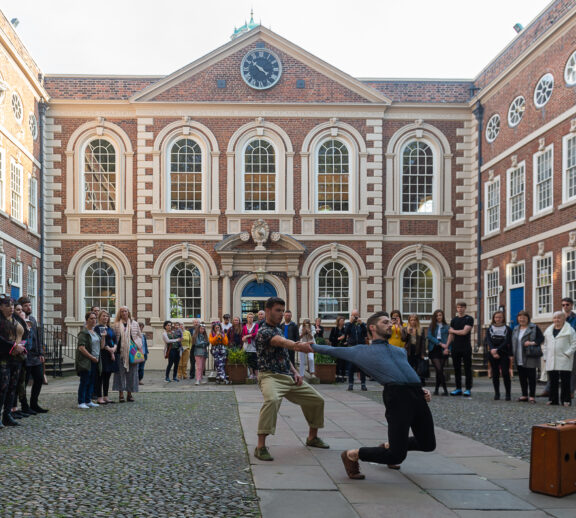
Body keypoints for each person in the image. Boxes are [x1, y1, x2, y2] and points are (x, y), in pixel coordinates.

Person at [310, 311, 435, 479]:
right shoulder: (362, 351)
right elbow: (332, 350)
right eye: (385, 322)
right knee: (397, 456)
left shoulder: (399, 351)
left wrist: (420, 390)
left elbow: (406, 372)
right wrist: (309, 346)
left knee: (428, 444)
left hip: (417, 397)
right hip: (397, 398)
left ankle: (389, 446)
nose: (390, 324)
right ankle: (352, 455)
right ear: (372, 327)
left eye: (390, 322)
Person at [254, 296, 328, 462]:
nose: (281, 314)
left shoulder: (279, 329)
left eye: (282, 310)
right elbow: (281, 343)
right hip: (269, 376)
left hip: (288, 376)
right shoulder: (263, 332)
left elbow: (284, 356)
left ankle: (312, 438)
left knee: (317, 400)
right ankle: (260, 447)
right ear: (267, 311)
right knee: (272, 400)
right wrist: (297, 345)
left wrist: (294, 371)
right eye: (277, 310)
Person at [0, 295, 28, 427]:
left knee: (12, 387)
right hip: (3, 357)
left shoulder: (15, 318)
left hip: (16, 358)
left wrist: (22, 346)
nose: (11, 308)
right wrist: (13, 346)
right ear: (0, 307)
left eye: (12, 306)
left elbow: (25, 333)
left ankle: (7, 415)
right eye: (7, 306)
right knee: (3, 387)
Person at [18, 296, 47, 414]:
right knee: (23, 382)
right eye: (25, 306)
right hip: (24, 356)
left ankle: (34, 403)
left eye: (29, 305)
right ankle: (24, 406)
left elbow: (37, 338)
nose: (28, 307)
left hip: (35, 356)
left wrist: (41, 353)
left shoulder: (33, 320)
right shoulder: (18, 320)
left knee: (39, 379)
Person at [543, 311, 576, 406]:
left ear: (564, 319)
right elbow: (545, 345)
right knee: (553, 380)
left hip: (564, 358)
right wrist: (545, 356)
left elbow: (574, 343)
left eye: (559, 318)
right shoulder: (548, 330)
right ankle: (553, 399)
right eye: (555, 318)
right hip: (551, 358)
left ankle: (566, 400)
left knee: (565, 380)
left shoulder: (570, 330)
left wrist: (568, 353)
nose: (556, 320)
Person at [111, 306, 143, 403]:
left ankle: (129, 394)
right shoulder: (116, 325)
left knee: (132, 374)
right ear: (119, 313)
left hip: (132, 352)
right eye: (122, 311)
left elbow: (139, 336)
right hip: (120, 352)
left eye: (125, 311)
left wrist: (139, 347)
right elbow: (114, 339)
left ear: (128, 312)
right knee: (119, 374)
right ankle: (121, 394)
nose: (124, 313)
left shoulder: (135, 324)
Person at [511, 310, 544, 403]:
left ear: (528, 319)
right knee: (522, 377)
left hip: (530, 355)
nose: (522, 319)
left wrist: (532, 343)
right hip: (518, 355)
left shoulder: (534, 327)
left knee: (531, 377)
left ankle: (532, 396)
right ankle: (524, 395)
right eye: (520, 317)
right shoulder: (516, 328)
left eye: (524, 318)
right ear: (517, 318)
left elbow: (541, 338)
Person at [484, 310, 513, 401]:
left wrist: (497, 349)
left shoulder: (507, 329)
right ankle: (497, 393)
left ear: (503, 318)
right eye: (496, 317)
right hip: (492, 353)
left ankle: (508, 394)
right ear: (494, 318)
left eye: (500, 317)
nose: (498, 319)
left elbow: (507, 341)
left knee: (505, 373)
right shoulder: (490, 328)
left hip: (503, 353)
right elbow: (488, 340)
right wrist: (493, 349)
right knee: (495, 374)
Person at [448, 302, 474, 397]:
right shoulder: (454, 320)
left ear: (465, 308)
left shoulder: (469, 319)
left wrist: (453, 331)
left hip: (466, 347)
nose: (460, 309)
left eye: (462, 307)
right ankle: (458, 388)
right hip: (455, 347)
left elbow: (464, 332)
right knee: (456, 369)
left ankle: (468, 389)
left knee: (467, 368)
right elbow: (451, 335)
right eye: (458, 307)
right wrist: (447, 346)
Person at [75, 312, 101, 409]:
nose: (94, 320)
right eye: (91, 318)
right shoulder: (84, 333)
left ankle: (88, 400)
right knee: (84, 381)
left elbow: (100, 346)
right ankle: (81, 402)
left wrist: (104, 337)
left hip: (95, 360)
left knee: (91, 381)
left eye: (95, 318)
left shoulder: (95, 332)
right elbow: (81, 348)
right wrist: (91, 357)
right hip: (86, 360)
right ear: (87, 320)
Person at [94, 310, 118, 404]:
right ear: (99, 317)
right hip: (103, 354)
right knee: (100, 376)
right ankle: (99, 397)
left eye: (107, 316)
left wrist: (115, 348)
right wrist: (110, 350)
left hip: (111, 354)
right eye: (103, 316)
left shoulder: (109, 328)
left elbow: (115, 339)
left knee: (107, 376)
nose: (105, 318)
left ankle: (106, 396)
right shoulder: (98, 328)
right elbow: (102, 342)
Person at [342, 309, 368, 391]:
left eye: (356, 315)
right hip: (352, 347)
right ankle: (350, 384)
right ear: (351, 316)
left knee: (362, 366)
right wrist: (350, 322)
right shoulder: (348, 324)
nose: (355, 317)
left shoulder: (362, 324)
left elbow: (366, 334)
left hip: (361, 347)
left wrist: (362, 325)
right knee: (351, 366)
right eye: (353, 315)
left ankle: (363, 384)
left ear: (359, 315)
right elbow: (346, 333)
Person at [427, 309, 450, 396]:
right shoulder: (432, 326)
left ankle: (436, 390)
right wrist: (439, 343)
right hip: (434, 349)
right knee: (439, 369)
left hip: (443, 350)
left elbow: (450, 339)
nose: (438, 317)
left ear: (442, 316)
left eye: (440, 315)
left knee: (439, 370)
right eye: (437, 315)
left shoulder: (447, 326)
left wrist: (448, 349)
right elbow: (429, 336)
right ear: (435, 317)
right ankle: (445, 390)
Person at [402, 314, 427, 385]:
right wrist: (408, 333)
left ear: (417, 321)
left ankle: (419, 381)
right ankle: (410, 381)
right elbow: (403, 339)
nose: (413, 322)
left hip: (418, 349)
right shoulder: (405, 329)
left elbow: (423, 342)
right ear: (409, 321)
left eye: (414, 320)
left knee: (418, 366)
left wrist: (423, 353)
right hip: (409, 350)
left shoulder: (420, 329)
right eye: (411, 320)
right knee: (409, 366)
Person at [561, 297, 576, 397]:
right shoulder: (560, 317)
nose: (565, 307)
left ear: (571, 306)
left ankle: (571, 391)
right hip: (561, 346)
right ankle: (549, 389)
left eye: (567, 305)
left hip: (572, 346)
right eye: (563, 305)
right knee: (557, 368)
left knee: (573, 370)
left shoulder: (575, 318)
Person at [329, 316, 347, 382]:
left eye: (343, 321)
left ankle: (343, 376)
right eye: (341, 321)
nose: (342, 322)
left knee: (343, 362)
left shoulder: (345, 330)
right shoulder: (334, 329)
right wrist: (338, 339)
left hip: (343, 347)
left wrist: (346, 342)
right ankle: (337, 376)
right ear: (338, 322)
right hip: (336, 347)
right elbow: (330, 339)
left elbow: (347, 338)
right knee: (337, 362)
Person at [242, 312, 259, 379]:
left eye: (252, 317)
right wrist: (243, 338)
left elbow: (256, 333)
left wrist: (248, 336)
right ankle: (251, 374)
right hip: (246, 345)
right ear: (247, 318)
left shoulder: (255, 325)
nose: (250, 318)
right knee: (249, 360)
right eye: (249, 317)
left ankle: (257, 375)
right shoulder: (244, 326)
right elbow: (243, 335)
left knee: (255, 360)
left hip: (253, 345)